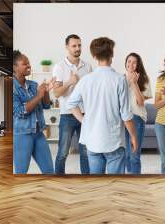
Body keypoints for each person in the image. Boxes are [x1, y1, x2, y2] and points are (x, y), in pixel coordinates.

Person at [67, 37, 138, 174]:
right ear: (112, 54)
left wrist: (84, 120)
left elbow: (71, 104)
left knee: (96, 186)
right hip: (114, 142)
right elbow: (126, 115)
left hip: (93, 141)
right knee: (115, 185)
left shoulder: (86, 80)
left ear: (94, 56)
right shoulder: (119, 80)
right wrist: (134, 136)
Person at [53, 34, 92, 175]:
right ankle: (59, 179)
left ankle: (86, 180)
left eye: (79, 45)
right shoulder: (59, 67)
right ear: (67, 47)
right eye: (74, 46)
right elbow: (56, 93)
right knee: (63, 153)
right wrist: (70, 82)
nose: (77, 48)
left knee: (86, 153)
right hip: (67, 115)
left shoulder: (87, 67)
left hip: (85, 114)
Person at [13, 50, 56, 174]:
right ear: (15, 67)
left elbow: (46, 105)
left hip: (38, 133)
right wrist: (39, 96)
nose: (29, 66)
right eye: (25, 64)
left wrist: (46, 91)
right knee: (21, 172)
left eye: (29, 63)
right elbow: (20, 111)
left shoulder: (33, 85)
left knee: (49, 171)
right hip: (22, 135)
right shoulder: (13, 88)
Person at [124, 53, 152, 174]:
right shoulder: (120, 78)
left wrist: (134, 83)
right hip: (123, 118)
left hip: (137, 117)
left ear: (138, 64)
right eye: (129, 61)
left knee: (134, 154)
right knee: (125, 154)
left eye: (134, 62)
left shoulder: (144, 79)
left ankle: (135, 183)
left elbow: (140, 102)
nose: (131, 64)